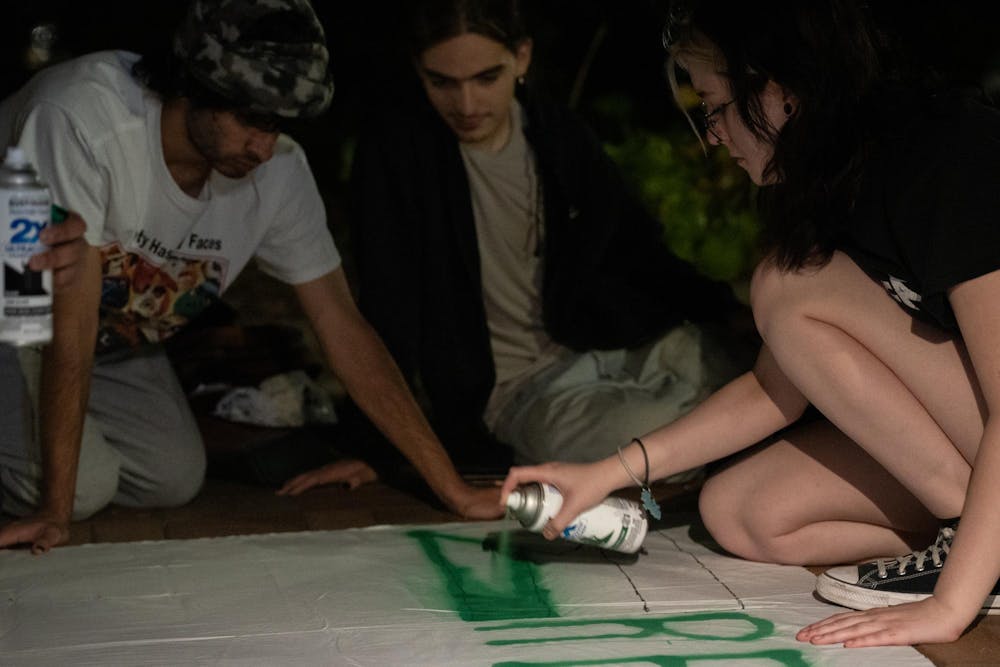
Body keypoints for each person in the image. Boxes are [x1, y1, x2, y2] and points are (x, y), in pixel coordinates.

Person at [501, 0, 1000, 648]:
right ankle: (977, 538)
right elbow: (775, 390)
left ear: (777, 87)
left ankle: (977, 554)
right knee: (740, 511)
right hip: (973, 443)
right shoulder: (829, 182)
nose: (711, 133)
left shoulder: (944, 146)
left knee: (785, 282)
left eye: (713, 103)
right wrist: (604, 474)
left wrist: (950, 605)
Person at [0, 0, 503, 555]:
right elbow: (68, 320)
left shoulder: (279, 167)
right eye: (251, 119)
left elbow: (344, 328)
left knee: (173, 477)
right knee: (80, 490)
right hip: (17, 315)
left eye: (279, 124)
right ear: (193, 83)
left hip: (109, 344)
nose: (265, 148)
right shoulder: (79, 120)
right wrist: (54, 510)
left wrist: (453, 489)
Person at [278, 0, 751, 496]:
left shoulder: (557, 135)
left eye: (485, 78)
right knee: (652, 436)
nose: (465, 104)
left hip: (610, 343)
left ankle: (725, 431)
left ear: (521, 59)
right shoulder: (398, 154)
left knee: (748, 367)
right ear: (419, 70)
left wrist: (726, 309)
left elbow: (638, 248)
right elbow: (388, 304)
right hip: (520, 392)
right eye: (442, 82)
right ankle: (721, 438)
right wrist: (376, 446)